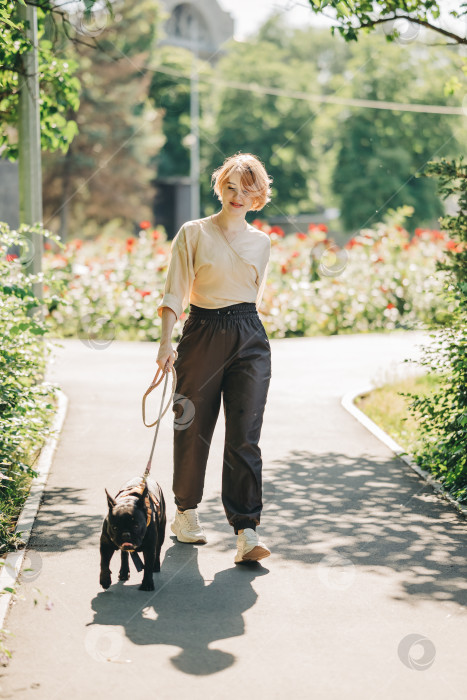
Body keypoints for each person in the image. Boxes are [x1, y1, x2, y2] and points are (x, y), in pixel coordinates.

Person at [156, 152, 273, 564]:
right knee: (193, 424)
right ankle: (185, 512)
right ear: (220, 188)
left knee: (245, 435)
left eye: (247, 189)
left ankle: (246, 530)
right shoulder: (193, 233)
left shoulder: (262, 243)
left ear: (258, 195)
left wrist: (246, 329)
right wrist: (165, 343)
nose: (237, 195)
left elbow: (252, 296)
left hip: (248, 336)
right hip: (202, 331)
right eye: (231, 186)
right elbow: (174, 292)